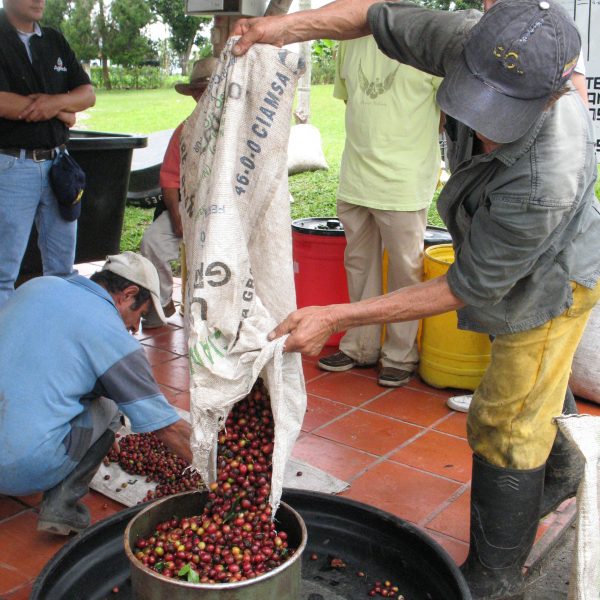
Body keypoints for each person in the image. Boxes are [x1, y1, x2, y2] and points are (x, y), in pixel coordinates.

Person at [232, 1, 600, 598]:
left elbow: (464, 286)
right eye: (474, 100)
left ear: (554, 95)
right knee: (537, 387)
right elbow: (375, 16)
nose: (481, 125)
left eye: (501, 115)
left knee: (504, 417)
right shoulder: (470, 42)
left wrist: (339, 314)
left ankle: (496, 574)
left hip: (553, 283)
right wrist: (280, 27)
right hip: (502, 247)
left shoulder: (547, 177)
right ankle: (559, 468)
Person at [0, 252, 192, 535]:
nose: (134, 328)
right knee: (112, 407)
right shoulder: (111, 333)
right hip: (19, 469)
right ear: (128, 294)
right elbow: (168, 428)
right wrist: (216, 475)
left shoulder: (38, 285)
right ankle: (61, 509)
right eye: (139, 315)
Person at [318, 35, 442, 388]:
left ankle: (400, 355)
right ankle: (360, 346)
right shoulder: (351, 39)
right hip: (356, 176)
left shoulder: (425, 38)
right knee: (359, 264)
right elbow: (350, 102)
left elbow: (444, 114)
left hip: (403, 180)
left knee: (406, 269)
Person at [0, 0, 96, 308]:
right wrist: (64, 111)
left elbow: (87, 94)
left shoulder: (53, 38)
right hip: (11, 165)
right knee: (3, 272)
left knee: (62, 271)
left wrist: (53, 104)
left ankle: (55, 340)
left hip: (59, 166)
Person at [140, 58, 218, 328]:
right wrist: (176, 216)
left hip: (227, 209)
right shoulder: (184, 130)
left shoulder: (237, 128)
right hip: (191, 205)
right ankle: (162, 303)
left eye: (205, 89)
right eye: (196, 90)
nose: (200, 96)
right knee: (153, 241)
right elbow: (170, 180)